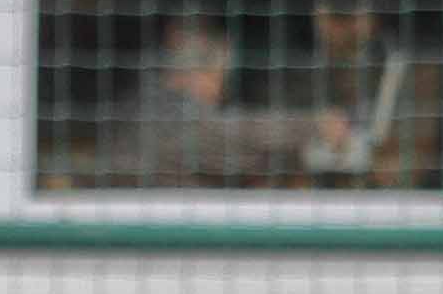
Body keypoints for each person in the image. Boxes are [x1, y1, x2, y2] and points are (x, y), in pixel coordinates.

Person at [115, 17, 344, 190]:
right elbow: (225, 134)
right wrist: (312, 125)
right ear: (192, 73)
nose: (219, 93)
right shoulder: (158, 106)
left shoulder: (146, 99)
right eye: (217, 78)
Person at [297, 0, 441, 189]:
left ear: (364, 21)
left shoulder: (412, 72)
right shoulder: (315, 70)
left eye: (330, 23)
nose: (322, 34)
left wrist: (356, 148)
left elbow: (422, 152)